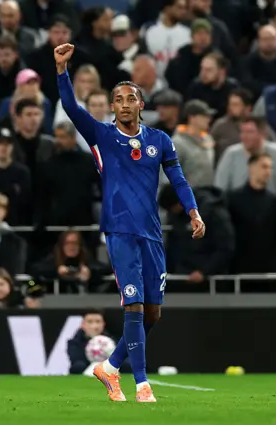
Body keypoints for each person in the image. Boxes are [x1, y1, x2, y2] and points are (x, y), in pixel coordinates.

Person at [55, 43, 205, 403]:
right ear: (112, 106)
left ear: (141, 104)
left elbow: (179, 180)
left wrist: (193, 210)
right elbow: (71, 108)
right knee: (133, 305)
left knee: (153, 312)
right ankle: (142, 385)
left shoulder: (160, 141)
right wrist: (62, 70)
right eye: (118, 98)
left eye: (130, 98)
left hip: (152, 232)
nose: (124, 103)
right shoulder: (102, 136)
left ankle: (110, 367)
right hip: (119, 228)